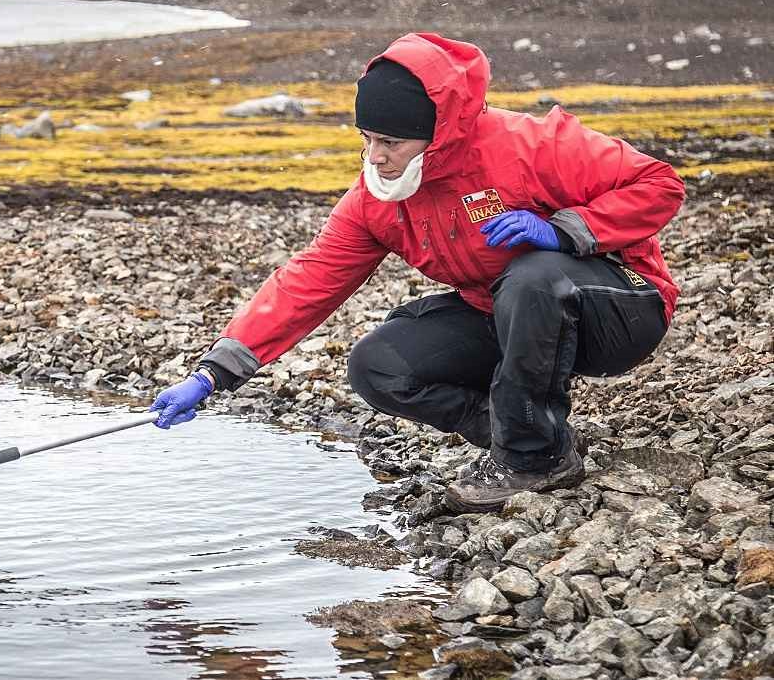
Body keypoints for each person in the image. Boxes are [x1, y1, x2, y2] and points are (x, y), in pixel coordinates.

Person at [150, 32, 686, 513]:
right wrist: (213, 374)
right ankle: (534, 437)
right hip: (507, 313)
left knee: (533, 277)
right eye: (366, 139)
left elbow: (659, 184)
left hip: (620, 309)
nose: (374, 157)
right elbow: (307, 280)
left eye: (390, 144)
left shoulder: (529, 145)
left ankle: (533, 462)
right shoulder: (376, 200)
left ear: (437, 133)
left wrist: (566, 231)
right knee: (378, 366)